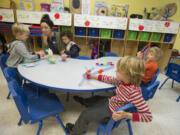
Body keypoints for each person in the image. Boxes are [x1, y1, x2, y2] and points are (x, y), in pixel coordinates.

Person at [67, 56, 152, 135]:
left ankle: (75, 131)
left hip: (110, 113)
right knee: (95, 98)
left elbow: (148, 116)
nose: (115, 71)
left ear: (128, 75)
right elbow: (110, 80)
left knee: (85, 114)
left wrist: (126, 115)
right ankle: (84, 102)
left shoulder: (134, 92)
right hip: (111, 102)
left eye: (118, 70)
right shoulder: (124, 81)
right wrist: (93, 76)